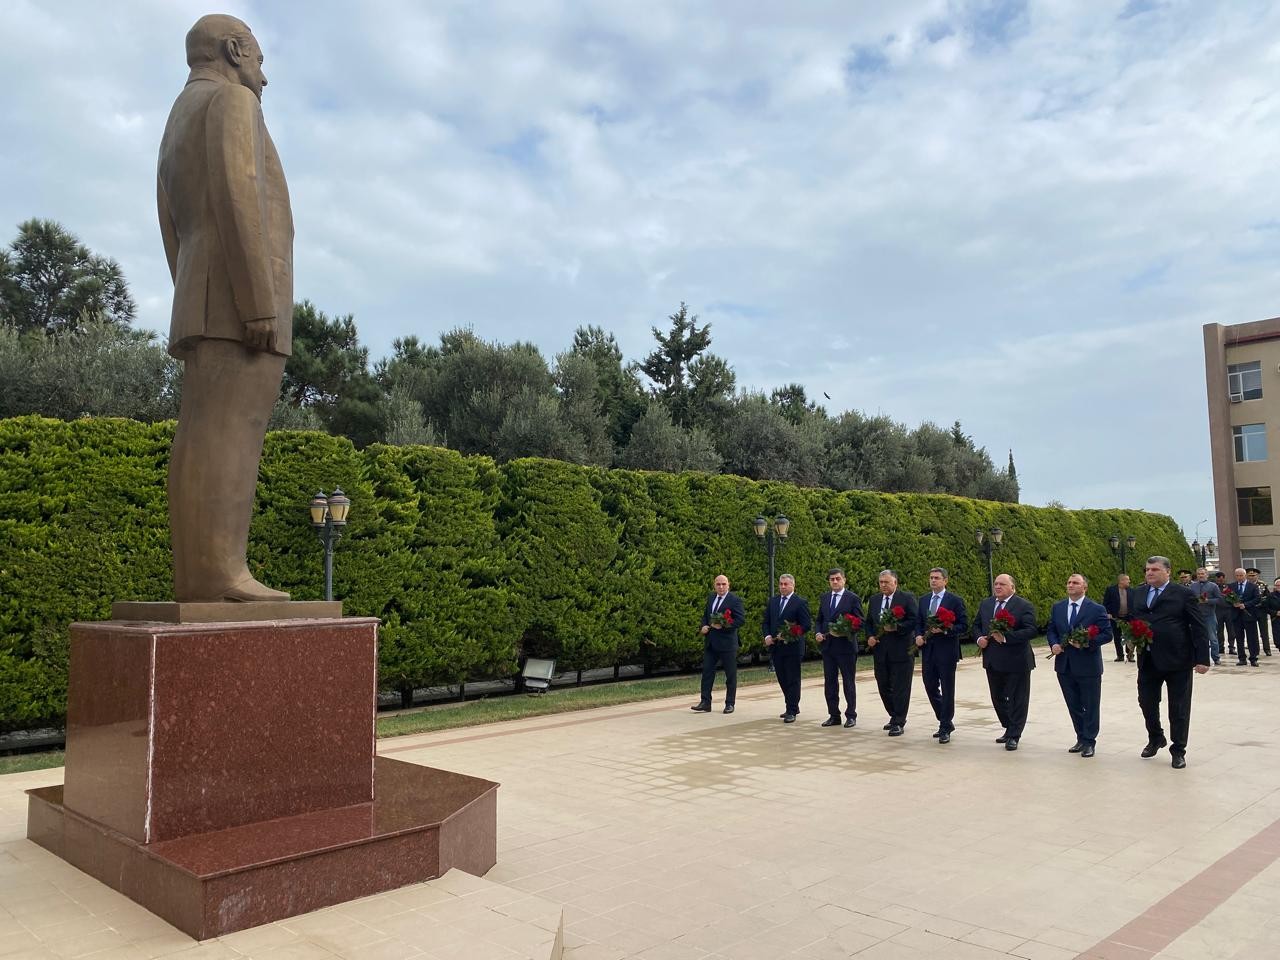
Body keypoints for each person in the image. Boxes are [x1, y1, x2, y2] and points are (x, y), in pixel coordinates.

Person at [158, 14, 294, 601]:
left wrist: (191, 289)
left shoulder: (176, 119)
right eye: (259, 60)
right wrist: (258, 302)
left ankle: (199, 574)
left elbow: (170, 224)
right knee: (234, 432)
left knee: (199, 432)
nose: (264, 76)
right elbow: (242, 198)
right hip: (241, 303)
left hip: (202, 292)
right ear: (235, 50)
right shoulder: (232, 104)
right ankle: (224, 573)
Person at [1132, 556, 1211, 768]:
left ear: (1168, 571)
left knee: (1178, 707)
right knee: (1146, 702)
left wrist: (1202, 658)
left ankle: (1178, 750)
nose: (1149, 573)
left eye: (1155, 569)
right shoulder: (1138, 592)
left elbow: (1199, 626)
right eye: (1147, 569)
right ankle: (1156, 737)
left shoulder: (1183, 594)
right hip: (1148, 658)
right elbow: (1133, 619)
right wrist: (1131, 637)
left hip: (1178, 660)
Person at [1045, 574, 1112, 757]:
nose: (1071, 585)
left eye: (1075, 582)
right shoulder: (1058, 607)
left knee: (1090, 705)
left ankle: (1090, 740)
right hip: (1065, 665)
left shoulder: (1096, 609)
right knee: (1073, 704)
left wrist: (1087, 643)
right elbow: (1051, 629)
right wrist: (1054, 644)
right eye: (1068, 582)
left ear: (1085, 587)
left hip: (1088, 665)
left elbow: (1107, 634)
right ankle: (1080, 737)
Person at [973, 573, 1038, 750]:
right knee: (998, 697)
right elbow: (977, 625)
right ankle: (1009, 726)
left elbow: (1031, 630)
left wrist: (1006, 638)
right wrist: (979, 639)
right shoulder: (986, 604)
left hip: (1017, 660)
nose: (998, 587)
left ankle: (1014, 734)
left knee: (1018, 699)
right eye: (996, 584)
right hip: (993, 660)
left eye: (1002, 584)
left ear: (1012, 587)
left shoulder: (1023, 605)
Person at [913, 567, 969, 744]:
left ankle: (945, 726)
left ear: (945, 580)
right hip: (928, 650)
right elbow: (919, 622)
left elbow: (963, 625)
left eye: (937, 578)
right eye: (931, 578)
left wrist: (945, 629)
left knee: (947, 687)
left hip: (947, 651)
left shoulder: (954, 600)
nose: (933, 581)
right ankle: (944, 718)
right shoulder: (923, 600)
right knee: (929, 685)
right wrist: (918, 635)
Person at [866, 570, 918, 737]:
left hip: (901, 650)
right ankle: (894, 714)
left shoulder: (906, 598)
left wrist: (897, 627)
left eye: (886, 582)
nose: (883, 585)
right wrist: (869, 637)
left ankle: (899, 721)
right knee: (883, 684)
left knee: (900, 687)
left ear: (895, 582)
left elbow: (914, 620)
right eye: (881, 582)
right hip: (881, 651)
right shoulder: (874, 600)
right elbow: (869, 622)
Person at [814, 568, 863, 728]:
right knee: (830, 682)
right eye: (831, 579)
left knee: (848, 682)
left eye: (837, 579)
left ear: (844, 580)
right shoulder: (825, 597)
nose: (834, 582)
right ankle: (834, 715)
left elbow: (859, 621)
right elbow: (819, 619)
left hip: (846, 647)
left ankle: (851, 715)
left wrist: (845, 631)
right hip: (828, 647)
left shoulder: (852, 598)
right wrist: (818, 632)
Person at [692, 574, 746, 713]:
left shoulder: (734, 600)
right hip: (711, 642)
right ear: (714, 585)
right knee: (707, 672)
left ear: (728, 585)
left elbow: (740, 620)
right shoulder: (711, 598)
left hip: (727, 643)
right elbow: (706, 615)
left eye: (723, 584)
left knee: (730, 674)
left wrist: (724, 625)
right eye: (718, 584)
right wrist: (703, 626)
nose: (721, 587)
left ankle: (730, 703)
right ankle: (705, 702)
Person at [762, 574, 812, 723]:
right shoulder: (773, 601)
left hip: (793, 648)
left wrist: (791, 633)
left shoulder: (800, 602)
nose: (783, 587)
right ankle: (792, 705)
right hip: (776, 648)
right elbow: (766, 622)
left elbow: (806, 625)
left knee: (792, 679)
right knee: (782, 678)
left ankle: (791, 709)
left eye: (786, 584)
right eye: (781, 584)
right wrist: (767, 636)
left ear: (793, 585)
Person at [1187, 567, 1224, 665]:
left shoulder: (1213, 586)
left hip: (1209, 616)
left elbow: (1220, 600)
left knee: (1212, 638)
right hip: (1196, 616)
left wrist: (1208, 601)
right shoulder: (1192, 586)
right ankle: (1198, 658)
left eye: (1202, 574)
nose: (1200, 575)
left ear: (1207, 575)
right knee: (1197, 637)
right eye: (1199, 574)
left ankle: (1216, 658)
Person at [1226, 567, 1261, 667]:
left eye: (1241, 575)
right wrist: (1233, 603)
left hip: (1249, 615)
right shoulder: (1231, 586)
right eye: (1237, 575)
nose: (1239, 577)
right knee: (1239, 638)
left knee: (1252, 638)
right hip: (1236, 616)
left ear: (1245, 575)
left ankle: (1253, 658)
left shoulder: (1252, 586)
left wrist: (1245, 605)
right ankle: (1242, 658)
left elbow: (1257, 599)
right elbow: (1226, 598)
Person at [1103, 573, 1135, 662]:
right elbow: (1106, 603)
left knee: (1130, 637)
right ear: (1121, 581)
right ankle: (1120, 655)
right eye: (1127, 579)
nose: (1129, 581)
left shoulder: (1132, 591)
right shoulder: (1111, 590)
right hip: (1115, 617)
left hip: (1129, 617)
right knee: (1117, 637)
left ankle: (1130, 655)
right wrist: (1108, 613)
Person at [1245, 568, 1273, 657]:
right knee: (1252, 632)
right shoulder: (1245, 585)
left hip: (1261, 611)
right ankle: (1254, 650)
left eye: (1254, 575)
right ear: (1247, 576)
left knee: (1264, 632)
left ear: (1257, 576)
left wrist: (1262, 604)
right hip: (1250, 611)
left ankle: (1267, 649)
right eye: (1250, 575)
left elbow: (1268, 597)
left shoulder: (1262, 585)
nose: (1252, 577)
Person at [1213, 571, 1233, 656]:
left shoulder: (1229, 587)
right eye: (1218, 579)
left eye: (1222, 579)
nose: (1220, 581)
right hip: (1218, 610)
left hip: (1229, 610)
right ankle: (1221, 648)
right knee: (1219, 631)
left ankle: (1231, 647)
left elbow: (1234, 597)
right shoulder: (1214, 587)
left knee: (1231, 630)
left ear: (1224, 578)